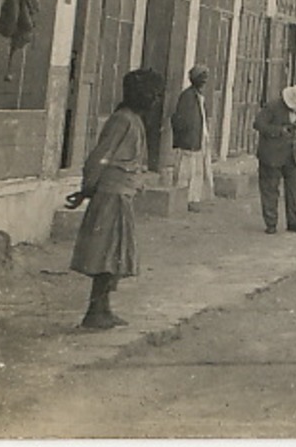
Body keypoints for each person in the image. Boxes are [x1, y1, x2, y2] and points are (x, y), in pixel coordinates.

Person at [66, 68, 164, 330]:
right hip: (112, 196)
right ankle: (94, 312)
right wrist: (87, 189)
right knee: (106, 255)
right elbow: (100, 157)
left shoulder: (133, 120)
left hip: (121, 195)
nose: (155, 100)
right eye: (151, 95)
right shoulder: (122, 120)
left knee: (115, 255)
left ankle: (103, 308)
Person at [255, 83, 296, 235]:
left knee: (294, 190)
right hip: (271, 155)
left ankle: (294, 221)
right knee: (270, 189)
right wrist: (280, 131)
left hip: (293, 155)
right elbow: (258, 124)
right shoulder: (272, 106)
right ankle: (271, 222)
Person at [169, 64, 214, 210]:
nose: (204, 81)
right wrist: (184, 137)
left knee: (197, 171)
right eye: (202, 77)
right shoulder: (187, 96)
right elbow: (181, 119)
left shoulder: (199, 96)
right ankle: (183, 199)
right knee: (186, 171)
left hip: (199, 138)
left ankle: (193, 199)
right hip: (189, 140)